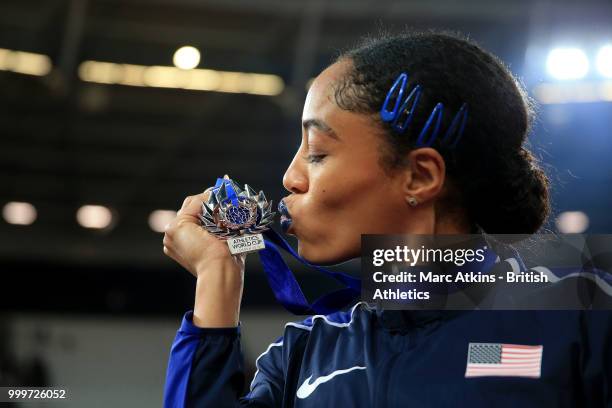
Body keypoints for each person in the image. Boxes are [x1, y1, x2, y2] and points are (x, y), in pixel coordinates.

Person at [161, 31, 612, 407]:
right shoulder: (304, 356)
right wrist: (217, 280)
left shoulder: (578, 318)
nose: (290, 177)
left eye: (317, 153)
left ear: (419, 175)